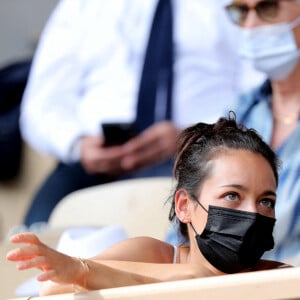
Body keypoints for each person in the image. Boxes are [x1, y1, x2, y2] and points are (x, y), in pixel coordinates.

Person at [20, 0, 253, 227]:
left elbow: (260, 94)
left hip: (201, 156)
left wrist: (195, 134)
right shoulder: (82, 6)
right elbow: (41, 104)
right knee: (35, 235)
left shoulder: (237, 5)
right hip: (93, 164)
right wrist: (78, 145)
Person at [7, 115, 290, 296]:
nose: (253, 213)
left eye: (266, 201)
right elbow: (54, 286)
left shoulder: (279, 279)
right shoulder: (153, 254)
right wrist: (190, 275)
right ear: (184, 206)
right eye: (232, 195)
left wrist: (197, 277)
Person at [224, 0, 300, 264]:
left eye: (268, 7)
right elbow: (185, 228)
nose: (251, 25)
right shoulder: (239, 112)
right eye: (241, 11)